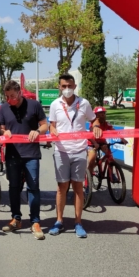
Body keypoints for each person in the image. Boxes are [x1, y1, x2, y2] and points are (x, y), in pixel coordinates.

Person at [48, 73, 102, 239]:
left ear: (75, 86)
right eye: (63, 86)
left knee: (78, 187)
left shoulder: (84, 103)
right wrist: (53, 130)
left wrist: (96, 127)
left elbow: (95, 120)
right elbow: (51, 125)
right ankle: (59, 221)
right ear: (59, 87)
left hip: (79, 150)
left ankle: (78, 222)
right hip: (61, 151)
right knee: (61, 188)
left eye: (70, 86)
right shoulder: (55, 104)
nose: (67, 89)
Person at [0, 80, 49, 240]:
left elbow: (44, 125)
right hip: (13, 154)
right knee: (14, 187)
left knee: (33, 188)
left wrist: (37, 131)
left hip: (31, 154)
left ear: (19, 93)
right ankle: (16, 219)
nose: (9, 99)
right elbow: (1, 127)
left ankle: (35, 222)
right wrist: (4, 132)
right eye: (7, 96)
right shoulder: (3, 108)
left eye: (12, 96)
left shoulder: (34, 105)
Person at [86, 106, 127, 174]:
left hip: (102, 142)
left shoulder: (106, 123)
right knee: (91, 162)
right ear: (96, 115)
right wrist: (95, 143)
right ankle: (88, 181)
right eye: (100, 114)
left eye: (103, 113)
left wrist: (122, 139)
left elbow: (114, 132)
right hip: (92, 143)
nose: (102, 115)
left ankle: (110, 174)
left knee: (110, 156)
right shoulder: (93, 124)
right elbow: (89, 136)